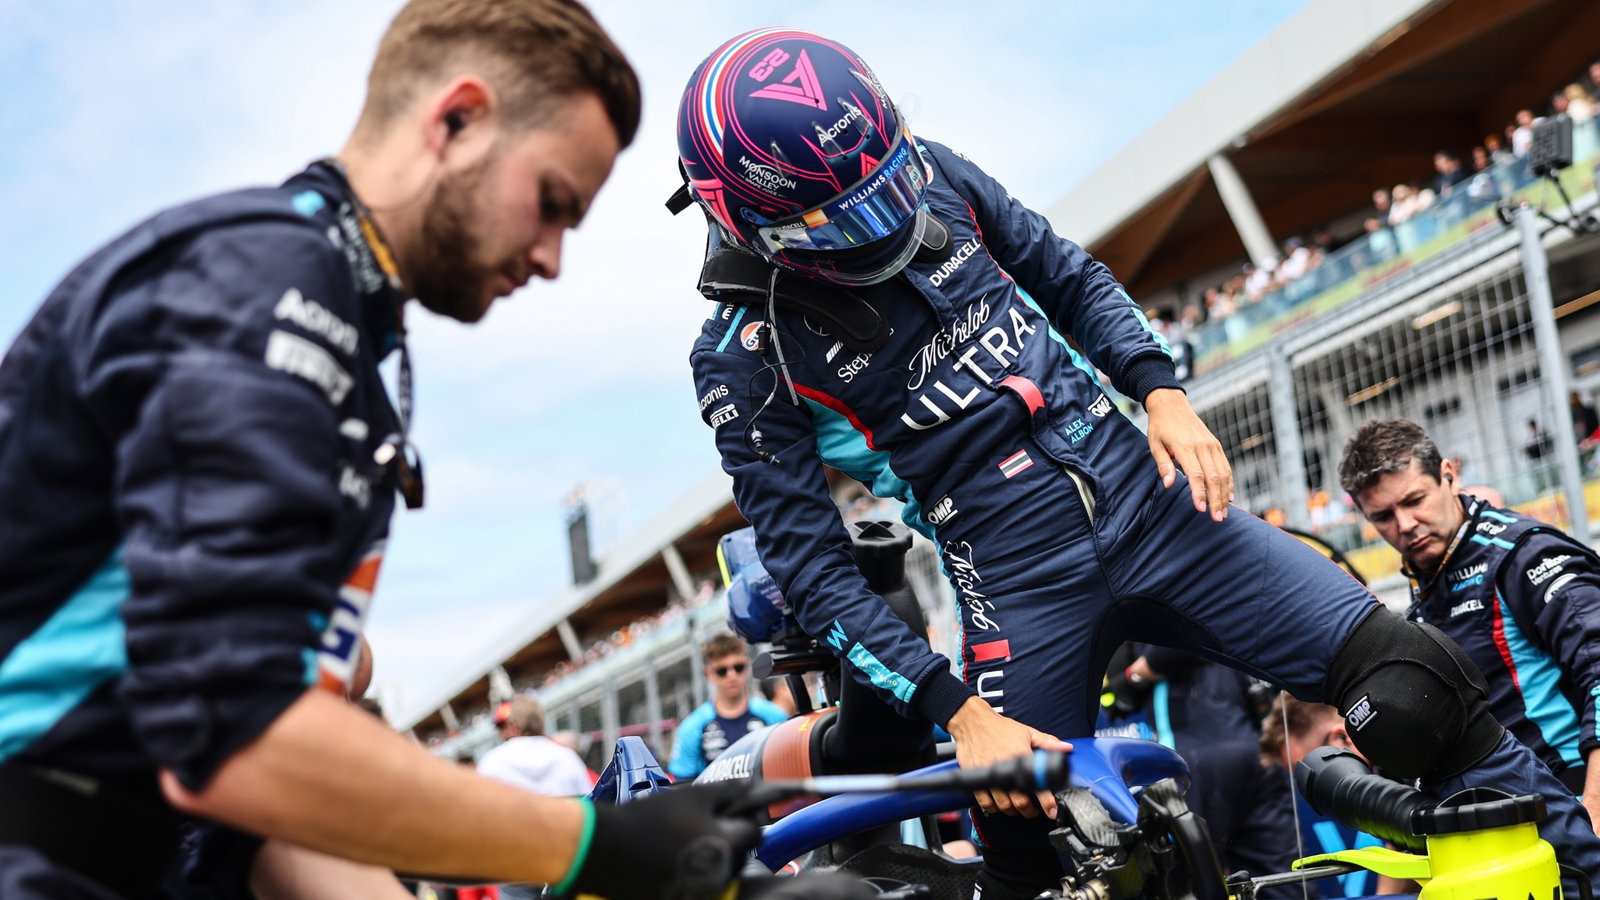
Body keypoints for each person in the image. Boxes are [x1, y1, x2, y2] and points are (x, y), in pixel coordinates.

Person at [675, 28, 1600, 897]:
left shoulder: (926, 169)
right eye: (854, 210)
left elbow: (1069, 275)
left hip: (1159, 507)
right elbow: (808, 564)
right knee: (1035, 842)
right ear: (750, 218)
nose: (889, 215)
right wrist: (958, 712)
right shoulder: (743, 355)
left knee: (1411, 688)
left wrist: (1161, 394)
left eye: (890, 178)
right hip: (1014, 581)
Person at [0, 3, 790, 899]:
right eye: (552, 204)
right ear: (456, 119)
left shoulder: (346, 327)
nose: (553, 258)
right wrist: (592, 845)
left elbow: (266, 821)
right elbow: (237, 736)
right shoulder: (263, 284)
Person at [1339, 418, 1600, 834]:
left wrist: (1594, 811)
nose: (1405, 525)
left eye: (1414, 500)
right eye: (1384, 516)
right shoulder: (1426, 583)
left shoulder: (1523, 556)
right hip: (1494, 815)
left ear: (1449, 475)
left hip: (1565, 796)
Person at [478, 697, 592, 900]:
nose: (500, 733)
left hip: (516, 864)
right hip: (564, 859)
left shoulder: (493, 761)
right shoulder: (566, 757)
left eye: (502, 727)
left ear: (513, 726)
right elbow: (591, 805)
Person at [668, 632, 788, 780]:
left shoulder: (773, 715)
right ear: (708, 673)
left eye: (738, 667)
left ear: (747, 667)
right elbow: (683, 780)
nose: (732, 676)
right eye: (722, 671)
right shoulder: (692, 727)